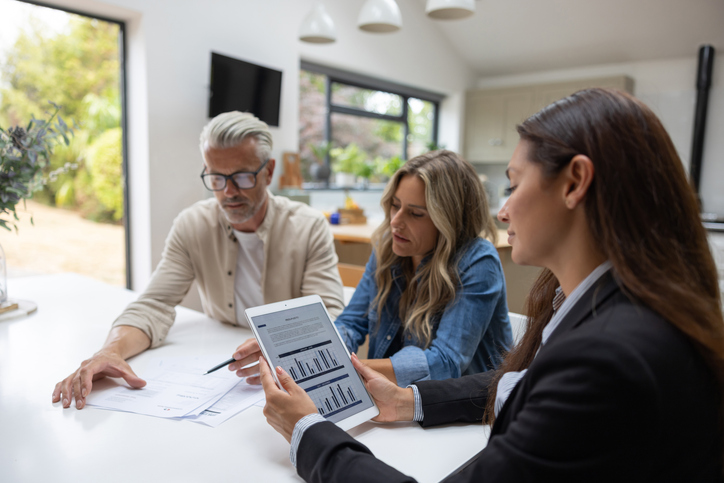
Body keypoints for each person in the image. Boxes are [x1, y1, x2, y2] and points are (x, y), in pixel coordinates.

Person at [258, 88, 724, 482]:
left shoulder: (606, 360)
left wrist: (308, 431)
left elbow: (470, 369)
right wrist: (407, 401)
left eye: (514, 185)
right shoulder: (595, 307)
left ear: (575, 181)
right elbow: (522, 383)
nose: (502, 212)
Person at [52, 111, 345, 410]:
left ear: (268, 172)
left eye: (242, 176)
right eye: (216, 178)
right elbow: (154, 304)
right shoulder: (192, 224)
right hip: (226, 378)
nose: (228, 192)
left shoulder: (309, 226)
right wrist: (110, 351)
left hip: (291, 381)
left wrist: (280, 346)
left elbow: (331, 315)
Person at [332, 150, 512, 386]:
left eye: (416, 213)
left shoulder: (478, 261)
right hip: (397, 402)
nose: (395, 222)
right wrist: (312, 356)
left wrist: (349, 368)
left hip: (467, 414)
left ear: (450, 220)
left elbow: (444, 363)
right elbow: (350, 324)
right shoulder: (388, 250)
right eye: (395, 205)